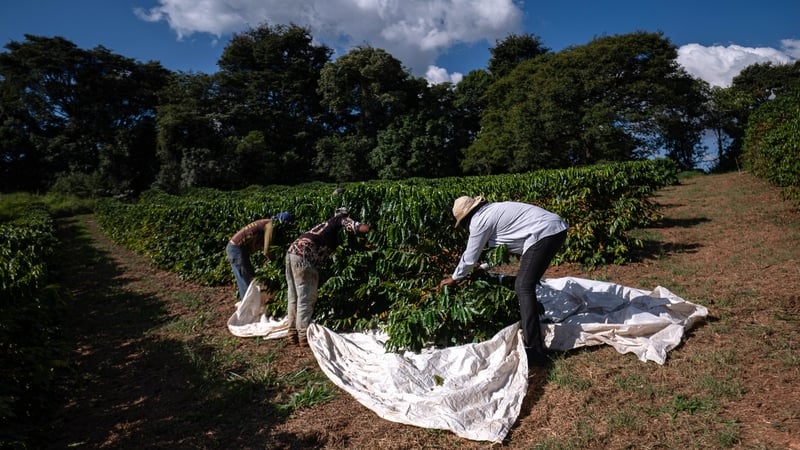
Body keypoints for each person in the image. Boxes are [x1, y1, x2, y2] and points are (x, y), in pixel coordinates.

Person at [438, 196, 568, 366]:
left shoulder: (479, 221)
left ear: (466, 218)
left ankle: (535, 351)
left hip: (544, 233)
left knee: (523, 286)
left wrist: (454, 278)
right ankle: (533, 338)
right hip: (555, 228)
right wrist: (483, 267)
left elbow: (469, 257)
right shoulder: (492, 212)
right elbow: (504, 250)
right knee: (525, 284)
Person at [285, 207, 371, 347]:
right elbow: (359, 227)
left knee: (293, 296)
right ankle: (303, 336)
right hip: (305, 256)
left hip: (291, 253)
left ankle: (291, 333)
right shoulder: (339, 220)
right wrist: (372, 229)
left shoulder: (325, 224)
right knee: (306, 298)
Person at [226, 212, 293, 301]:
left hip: (235, 248)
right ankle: (248, 308)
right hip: (236, 249)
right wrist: (276, 262)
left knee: (248, 278)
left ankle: (249, 305)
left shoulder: (266, 222)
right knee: (247, 282)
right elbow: (267, 250)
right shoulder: (270, 225)